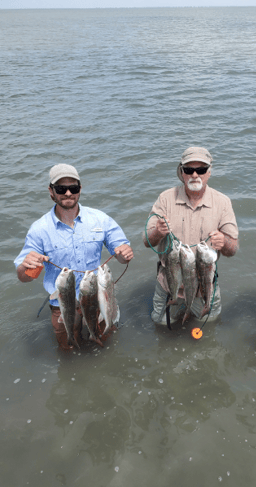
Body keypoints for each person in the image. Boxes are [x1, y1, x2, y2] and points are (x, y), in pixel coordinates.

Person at [14, 163, 134, 349]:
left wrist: (124, 253)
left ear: (80, 189)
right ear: (51, 191)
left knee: (105, 341)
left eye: (73, 188)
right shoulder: (39, 230)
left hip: (97, 298)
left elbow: (121, 254)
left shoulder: (100, 219)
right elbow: (23, 277)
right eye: (61, 188)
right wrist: (26, 266)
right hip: (62, 304)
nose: (68, 193)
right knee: (67, 348)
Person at [144, 146, 239, 326]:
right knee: (161, 324)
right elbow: (147, 240)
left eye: (201, 170)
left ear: (209, 172)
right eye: (189, 170)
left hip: (205, 286)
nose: (195, 175)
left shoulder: (222, 202)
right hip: (169, 283)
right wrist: (158, 231)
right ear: (182, 172)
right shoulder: (165, 198)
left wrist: (224, 242)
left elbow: (233, 248)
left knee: (209, 325)